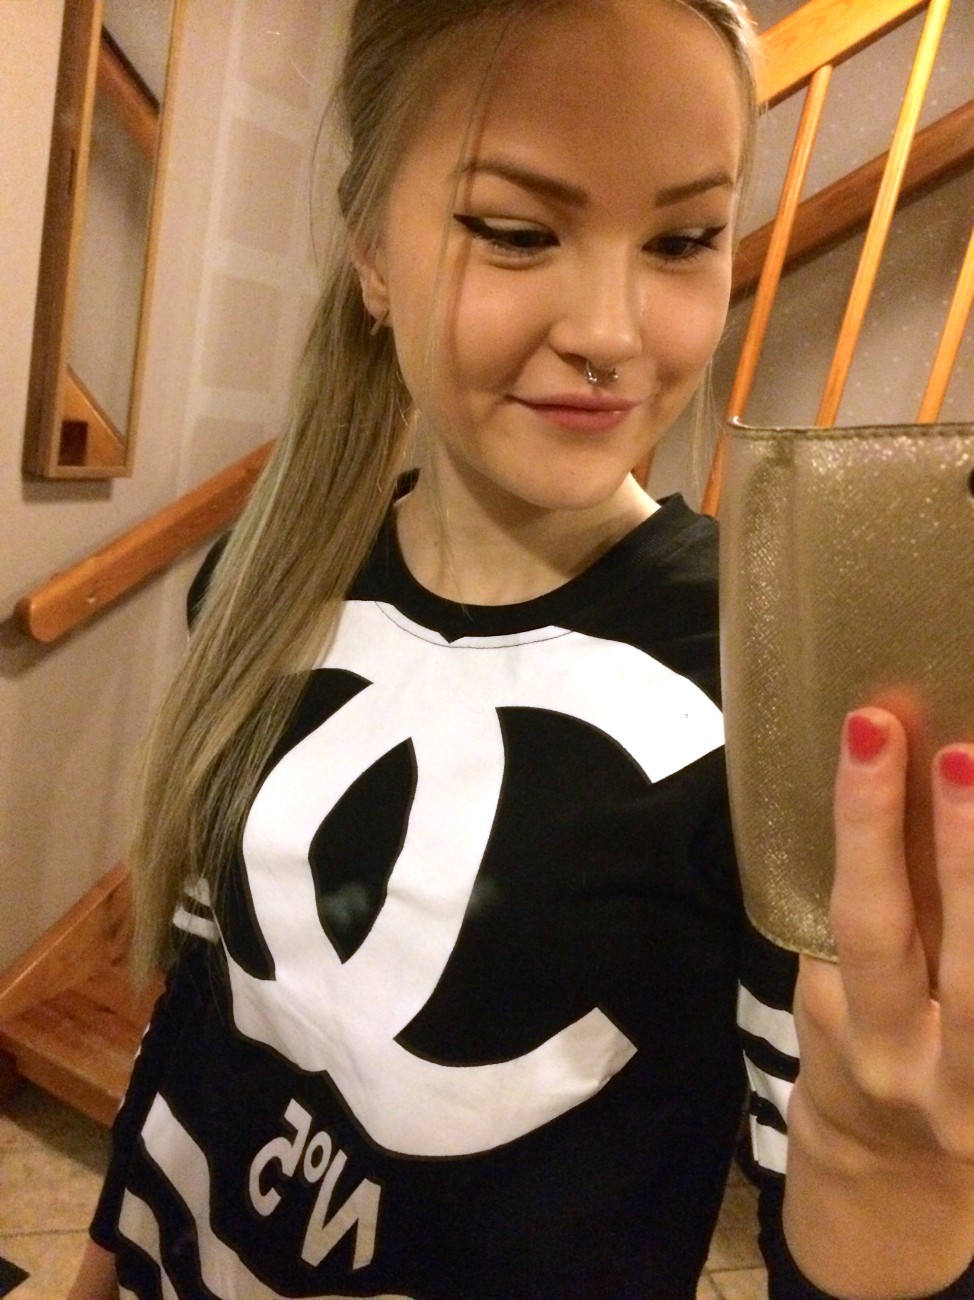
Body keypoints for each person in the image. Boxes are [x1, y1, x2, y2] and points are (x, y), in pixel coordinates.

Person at [70, 0, 974, 1296]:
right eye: (516, 230)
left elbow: (832, 1199)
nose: (612, 330)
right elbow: (202, 1010)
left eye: (682, 239)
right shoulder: (268, 581)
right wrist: (99, 1266)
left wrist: (887, 1167)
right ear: (372, 251)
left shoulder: (767, 696)